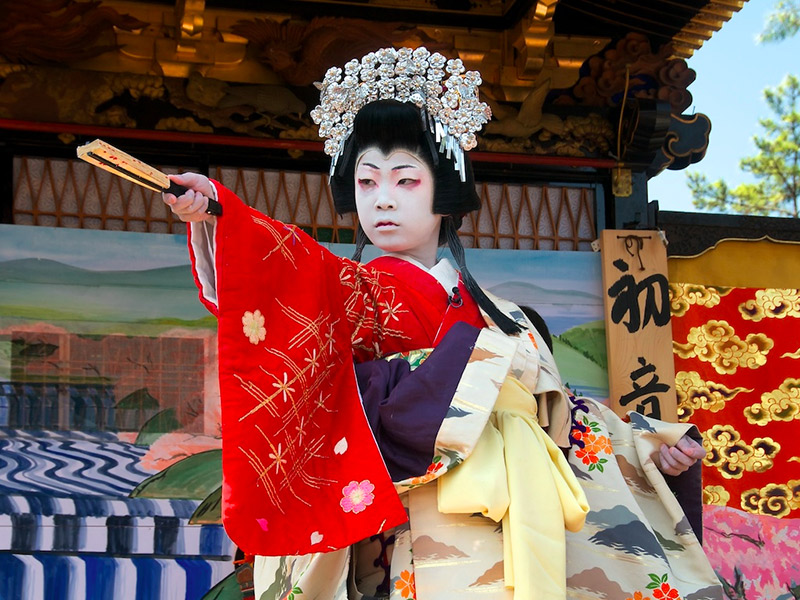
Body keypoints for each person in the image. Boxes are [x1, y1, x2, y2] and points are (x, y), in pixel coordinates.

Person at [164, 47, 719, 600]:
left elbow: (567, 417)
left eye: (404, 181)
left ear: (444, 189)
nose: (382, 200)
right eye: (367, 182)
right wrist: (220, 213)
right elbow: (283, 276)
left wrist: (649, 446)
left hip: (521, 529)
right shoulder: (349, 291)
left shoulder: (510, 319)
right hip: (404, 531)